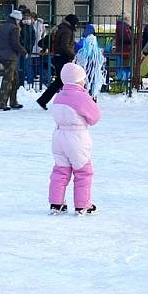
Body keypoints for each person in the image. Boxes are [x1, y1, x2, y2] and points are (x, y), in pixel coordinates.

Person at [48, 63, 101, 216]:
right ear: (78, 80)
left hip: (58, 137)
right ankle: (82, 204)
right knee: (83, 171)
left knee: (60, 171)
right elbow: (95, 117)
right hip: (76, 138)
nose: (84, 82)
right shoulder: (81, 97)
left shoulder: (58, 96)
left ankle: (56, 203)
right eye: (83, 79)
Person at [36, 14, 79, 110]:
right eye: (76, 24)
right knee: (63, 81)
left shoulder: (61, 28)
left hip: (58, 57)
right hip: (63, 58)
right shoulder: (67, 30)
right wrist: (72, 55)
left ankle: (45, 100)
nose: (76, 26)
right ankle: (64, 102)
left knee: (61, 81)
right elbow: (65, 45)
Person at [0, 9, 27, 111]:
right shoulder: (14, 28)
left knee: (15, 79)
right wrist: (24, 52)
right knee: (8, 80)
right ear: (17, 19)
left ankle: (13, 101)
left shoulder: (3, 27)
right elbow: (15, 44)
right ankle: (1, 102)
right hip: (11, 57)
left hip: (3, 56)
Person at [74, 24, 106, 99]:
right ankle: (93, 98)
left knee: (85, 81)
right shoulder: (94, 41)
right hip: (94, 67)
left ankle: (84, 97)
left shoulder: (83, 41)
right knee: (93, 82)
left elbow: (77, 49)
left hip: (84, 66)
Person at [19, 12, 37, 87]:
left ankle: (27, 81)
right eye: (25, 17)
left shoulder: (30, 26)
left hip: (26, 48)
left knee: (26, 65)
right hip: (22, 48)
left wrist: (30, 45)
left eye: (28, 17)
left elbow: (33, 37)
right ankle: (22, 82)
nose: (26, 18)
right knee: (22, 66)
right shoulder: (22, 25)